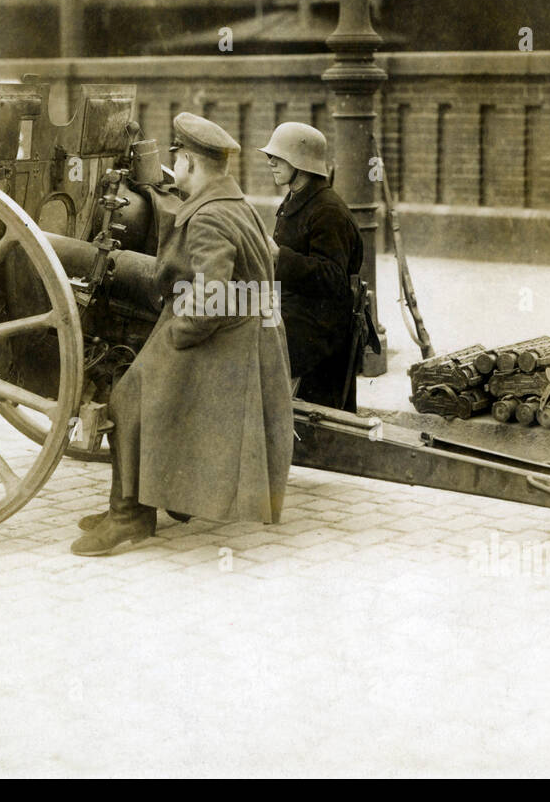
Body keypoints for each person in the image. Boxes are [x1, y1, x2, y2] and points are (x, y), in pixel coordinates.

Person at [71, 112, 294, 556]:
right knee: (136, 393)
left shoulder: (209, 217)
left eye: (180, 160)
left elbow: (213, 292)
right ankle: (141, 503)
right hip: (248, 334)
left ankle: (128, 515)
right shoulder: (235, 204)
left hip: (221, 338)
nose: (178, 171)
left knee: (128, 398)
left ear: (190, 162)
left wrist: (181, 334)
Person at [262, 122, 364, 411]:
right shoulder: (298, 198)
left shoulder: (327, 211)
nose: (270, 162)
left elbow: (333, 278)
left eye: (278, 157)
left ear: (301, 163)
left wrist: (279, 258)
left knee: (247, 338)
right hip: (297, 314)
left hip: (320, 331)